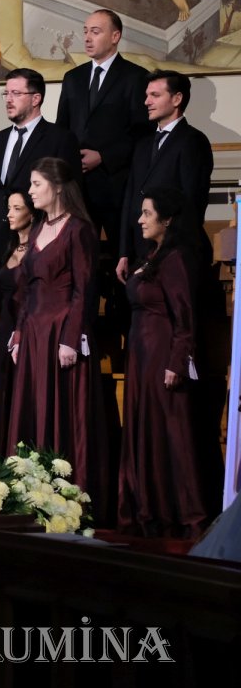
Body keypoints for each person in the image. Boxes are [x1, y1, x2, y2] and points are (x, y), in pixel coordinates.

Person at [7, 157, 113, 524]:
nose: (31, 190)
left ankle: (68, 500)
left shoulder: (79, 229)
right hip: (35, 331)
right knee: (33, 410)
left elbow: (85, 288)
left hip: (60, 333)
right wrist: (19, 333)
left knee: (64, 411)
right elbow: (26, 290)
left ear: (56, 186)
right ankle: (31, 497)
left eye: (36, 184)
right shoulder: (37, 229)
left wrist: (71, 337)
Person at [119, 187, 220, 538]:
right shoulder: (152, 255)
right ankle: (150, 509)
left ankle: (189, 515)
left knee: (173, 433)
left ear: (167, 219)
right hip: (141, 355)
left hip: (163, 354)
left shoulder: (176, 258)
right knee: (146, 432)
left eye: (147, 213)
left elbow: (185, 316)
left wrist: (177, 362)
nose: (140, 220)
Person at [55, 8, 150, 260]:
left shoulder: (136, 77)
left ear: (115, 36)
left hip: (116, 184)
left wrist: (104, 156)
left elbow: (142, 132)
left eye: (95, 32)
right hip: (77, 187)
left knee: (124, 256)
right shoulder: (72, 78)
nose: (87, 38)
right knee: (78, 259)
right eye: (85, 31)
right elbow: (62, 129)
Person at [0, 68, 80, 282]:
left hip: (39, 248)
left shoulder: (59, 139)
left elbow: (69, 198)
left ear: (36, 98)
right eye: (6, 94)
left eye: (16, 93)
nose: (9, 100)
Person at [115, 70, 214, 282]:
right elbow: (130, 198)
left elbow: (192, 203)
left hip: (173, 253)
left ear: (177, 98)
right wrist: (124, 252)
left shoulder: (193, 141)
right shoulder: (142, 145)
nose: (146, 102)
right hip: (138, 252)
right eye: (147, 95)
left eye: (155, 95)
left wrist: (166, 250)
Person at [0, 191, 35, 457]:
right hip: (4, 331)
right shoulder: (10, 247)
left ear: (32, 213)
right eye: (8, 208)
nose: (9, 214)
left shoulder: (39, 250)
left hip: (29, 331)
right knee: (1, 400)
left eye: (17, 208)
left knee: (24, 399)